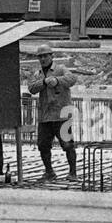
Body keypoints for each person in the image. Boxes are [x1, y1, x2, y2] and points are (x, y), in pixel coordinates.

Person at [30, 42, 77, 182]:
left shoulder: (61, 69)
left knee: (67, 144)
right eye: (40, 57)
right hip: (45, 117)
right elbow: (32, 88)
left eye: (45, 56)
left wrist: (57, 80)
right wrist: (44, 82)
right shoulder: (37, 74)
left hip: (62, 115)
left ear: (51, 56)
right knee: (43, 145)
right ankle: (49, 172)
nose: (43, 59)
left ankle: (73, 173)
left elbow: (72, 79)